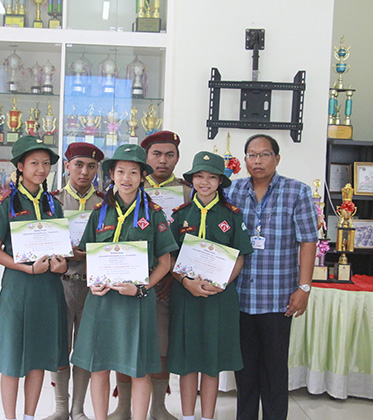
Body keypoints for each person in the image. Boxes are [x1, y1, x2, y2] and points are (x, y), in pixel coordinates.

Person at [71, 144, 178, 420]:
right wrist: (92, 282)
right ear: (111, 175)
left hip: (137, 302)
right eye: (120, 171)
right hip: (102, 301)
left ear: (142, 177)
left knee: (139, 369)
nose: (126, 178)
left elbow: (165, 262)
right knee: (99, 366)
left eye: (133, 172)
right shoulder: (99, 212)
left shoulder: (153, 214)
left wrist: (142, 288)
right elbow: (89, 253)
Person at [224, 134, 318, 420]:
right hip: (240, 296)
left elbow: (308, 241)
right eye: (252, 155)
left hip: (278, 298)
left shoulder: (297, 191)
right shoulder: (232, 191)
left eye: (264, 154)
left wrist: (304, 287)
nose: (258, 161)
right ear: (244, 160)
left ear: (277, 158)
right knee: (244, 370)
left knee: (275, 370)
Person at [0, 135, 68, 420]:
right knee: (11, 357)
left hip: (48, 288)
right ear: (20, 166)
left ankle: (30, 416)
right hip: (18, 287)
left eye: (46, 163)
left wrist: (61, 267)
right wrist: (27, 268)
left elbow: (61, 249)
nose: (41, 169)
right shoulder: (5, 201)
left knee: (38, 357)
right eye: (34, 163)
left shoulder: (53, 203)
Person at [109, 130, 191, 420]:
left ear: (177, 158)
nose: (163, 160)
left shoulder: (187, 192)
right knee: (124, 342)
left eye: (170, 155)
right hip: (130, 280)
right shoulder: (124, 191)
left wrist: (173, 275)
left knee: (161, 345)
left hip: (172, 279)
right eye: (156, 154)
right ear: (145, 159)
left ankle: (158, 406)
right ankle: (123, 406)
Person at [166, 151, 253, 420]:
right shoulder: (179, 215)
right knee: (188, 361)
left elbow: (240, 256)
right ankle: (188, 416)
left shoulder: (232, 215)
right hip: (186, 296)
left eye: (212, 177)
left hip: (220, 298)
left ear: (220, 182)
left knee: (211, 362)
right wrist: (185, 281)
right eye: (199, 176)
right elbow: (169, 257)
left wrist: (222, 283)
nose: (205, 182)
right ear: (192, 180)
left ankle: (207, 417)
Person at [45, 143, 105, 420]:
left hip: (93, 287)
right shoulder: (52, 202)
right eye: (78, 165)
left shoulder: (105, 203)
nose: (84, 172)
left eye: (91, 166)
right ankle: (61, 407)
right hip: (60, 284)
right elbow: (41, 241)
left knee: (86, 349)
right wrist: (65, 251)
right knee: (59, 348)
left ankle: (78, 408)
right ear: (67, 166)